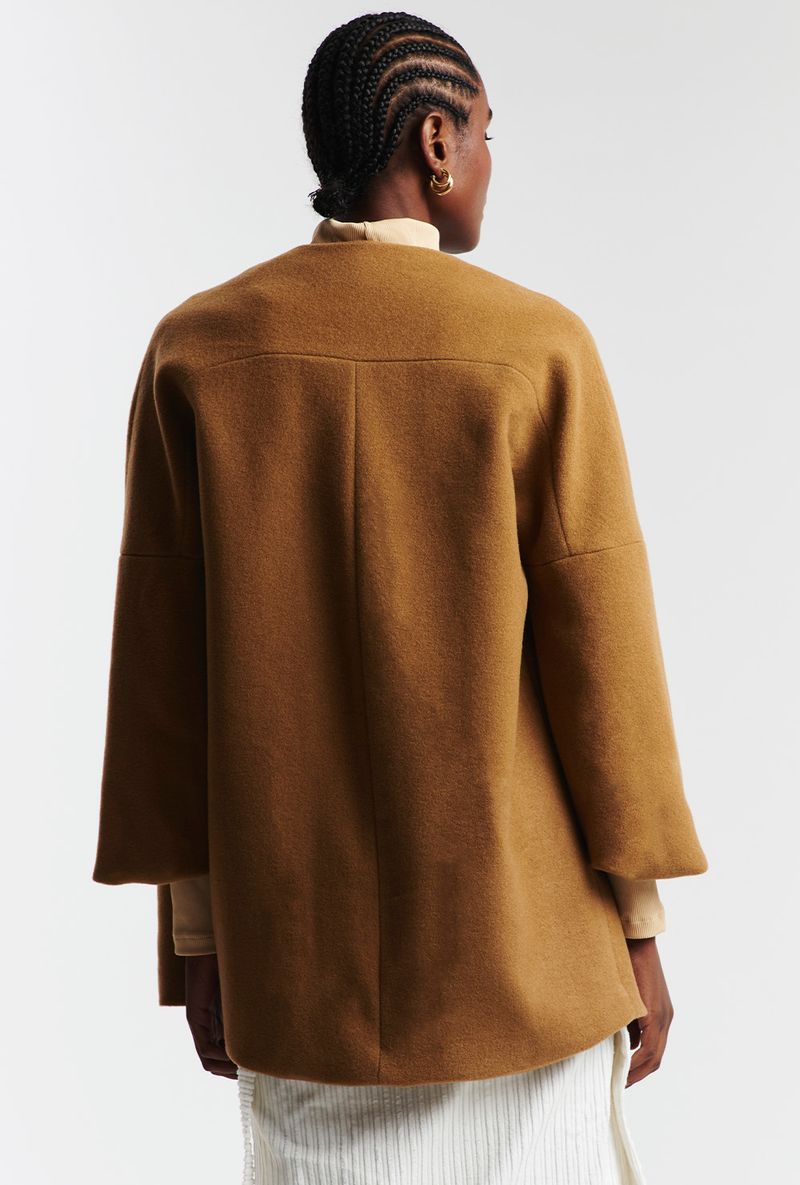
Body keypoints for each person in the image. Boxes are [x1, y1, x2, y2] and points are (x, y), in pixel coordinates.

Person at [92, 11, 708, 1184]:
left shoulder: (195, 352)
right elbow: (605, 678)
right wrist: (637, 932)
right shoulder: (535, 347)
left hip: (296, 978)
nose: (486, 161)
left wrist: (200, 939)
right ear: (435, 141)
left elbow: (166, 683)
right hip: (525, 971)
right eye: (484, 135)